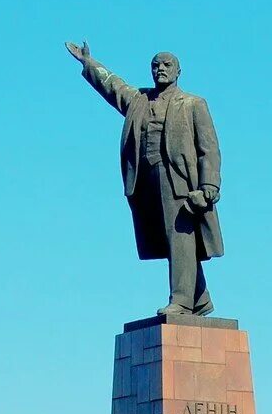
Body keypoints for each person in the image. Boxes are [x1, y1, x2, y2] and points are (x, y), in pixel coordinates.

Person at [65, 42, 224, 317]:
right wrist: (89, 63)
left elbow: (209, 149)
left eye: (166, 65)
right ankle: (200, 297)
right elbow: (112, 85)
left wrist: (208, 187)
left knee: (181, 238)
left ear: (178, 71)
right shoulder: (139, 100)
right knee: (174, 241)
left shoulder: (193, 104)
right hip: (148, 180)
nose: (160, 69)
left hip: (180, 181)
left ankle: (183, 300)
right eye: (155, 65)